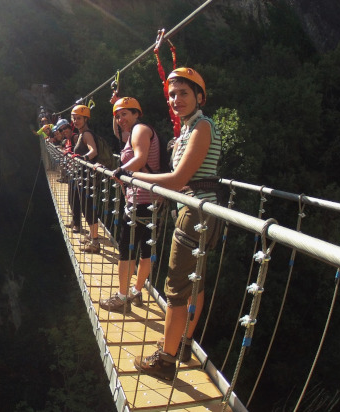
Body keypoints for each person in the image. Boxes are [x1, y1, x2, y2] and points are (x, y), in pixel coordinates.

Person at [128, 68, 221, 380]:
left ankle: (166, 360)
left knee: (176, 287)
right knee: (194, 282)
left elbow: (179, 180)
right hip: (202, 212)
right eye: (172, 94)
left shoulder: (201, 128)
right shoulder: (190, 129)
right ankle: (182, 345)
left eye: (183, 93)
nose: (176, 99)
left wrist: (134, 175)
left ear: (200, 97)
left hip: (195, 214)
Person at [99, 97, 161, 312]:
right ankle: (135, 292)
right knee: (145, 249)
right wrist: (116, 103)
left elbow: (141, 158)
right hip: (150, 200)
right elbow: (121, 134)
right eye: (118, 115)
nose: (120, 118)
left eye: (125, 113)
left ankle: (122, 297)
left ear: (137, 113)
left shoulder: (140, 130)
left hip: (140, 200)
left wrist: (121, 171)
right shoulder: (135, 132)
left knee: (126, 250)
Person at [67, 105, 101, 253]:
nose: (76, 121)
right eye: (74, 118)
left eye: (79, 118)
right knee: (85, 206)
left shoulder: (86, 134)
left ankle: (95, 242)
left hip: (87, 177)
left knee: (88, 208)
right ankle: (91, 236)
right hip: (83, 176)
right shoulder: (82, 134)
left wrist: (83, 158)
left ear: (86, 119)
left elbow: (94, 151)